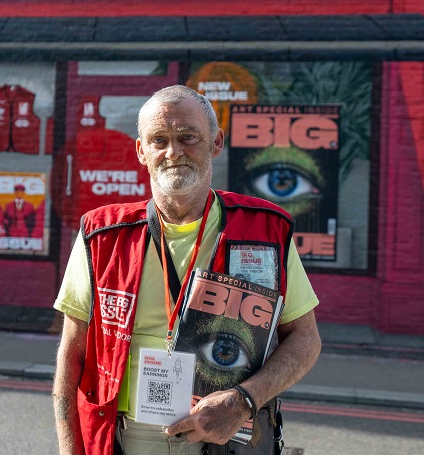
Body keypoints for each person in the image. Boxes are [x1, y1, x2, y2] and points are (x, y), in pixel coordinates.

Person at [53, 85, 321, 455]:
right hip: (128, 438)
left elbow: (306, 339)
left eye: (188, 137)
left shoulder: (265, 229)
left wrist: (244, 400)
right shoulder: (102, 235)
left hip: (228, 435)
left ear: (216, 142)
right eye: (159, 139)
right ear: (141, 152)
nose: (173, 151)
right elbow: (72, 355)